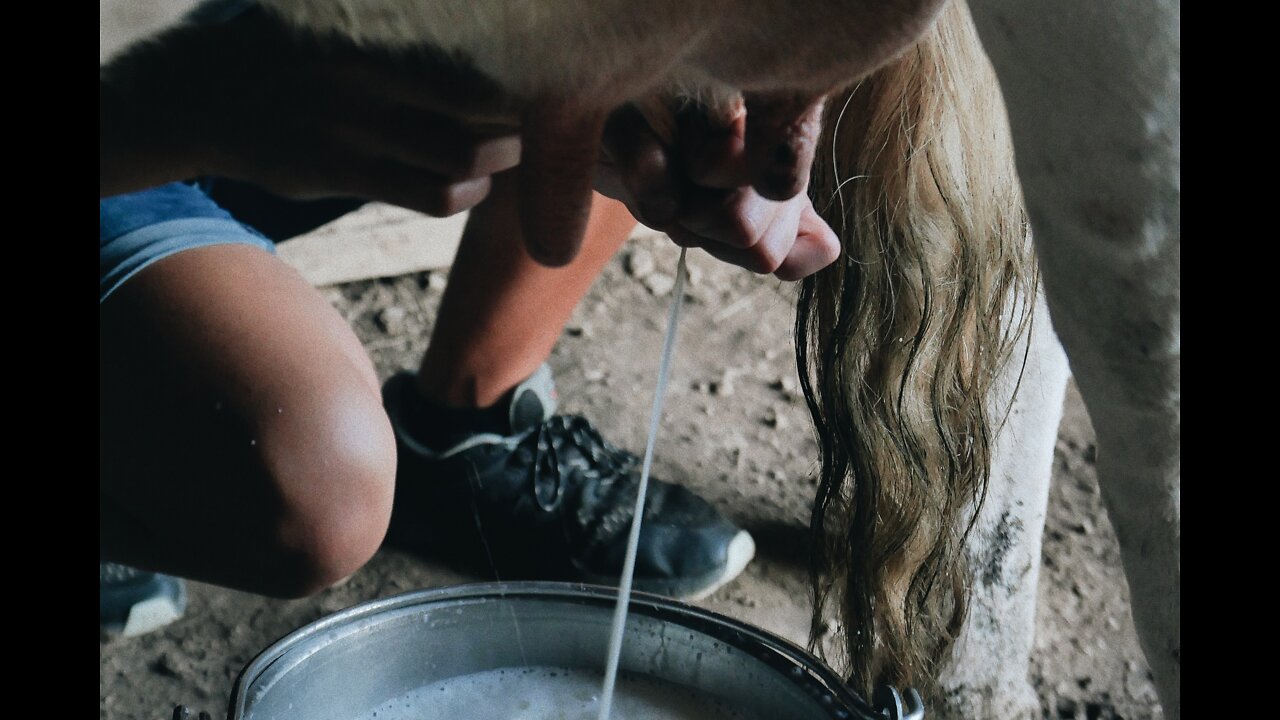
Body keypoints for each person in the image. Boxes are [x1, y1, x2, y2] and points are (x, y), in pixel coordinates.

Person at [100, 3, 839, 636]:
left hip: (250, 75)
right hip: (152, 109)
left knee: (633, 48)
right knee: (316, 487)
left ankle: (464, 428)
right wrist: (194, 105)